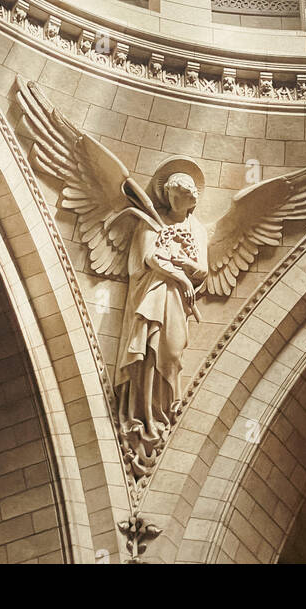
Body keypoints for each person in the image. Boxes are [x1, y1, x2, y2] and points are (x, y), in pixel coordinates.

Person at [115, 172, 208, 470]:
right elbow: (150, 259)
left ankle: (163, 408)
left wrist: (186, 265)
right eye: (182, 192)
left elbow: (203, 270)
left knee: (171, 349)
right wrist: (179, 275)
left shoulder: (198, 229)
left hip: (178, 300)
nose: (188, 196)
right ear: (169, 195)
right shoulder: (149, 221)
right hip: (154, 292)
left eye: (191, 192)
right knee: (148, 346)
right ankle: (142, 413)